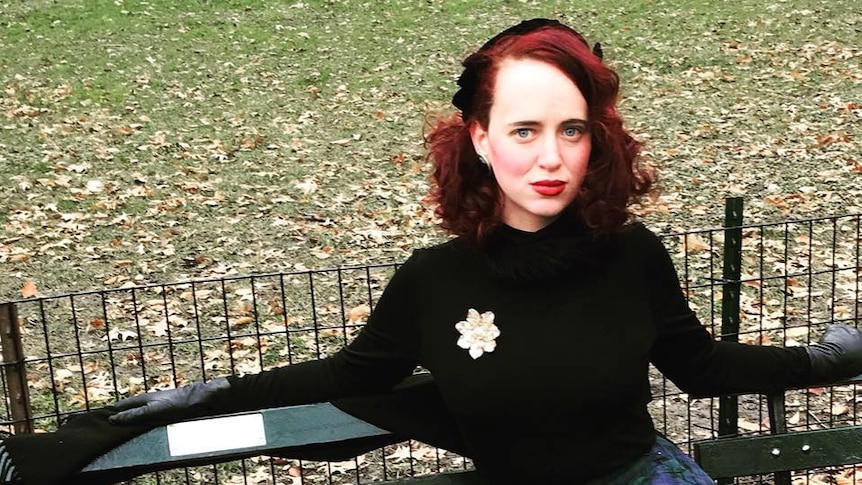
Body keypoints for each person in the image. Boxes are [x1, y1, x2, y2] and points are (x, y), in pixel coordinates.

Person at [98, 18, 862, 484]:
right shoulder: (436, 280)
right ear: (481, 137)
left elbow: (705, 369)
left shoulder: (633, 256)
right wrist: (214, 393)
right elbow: (348, 375)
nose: (552, 157)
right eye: (525, 131)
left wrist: (825, 359)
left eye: (572, 129)